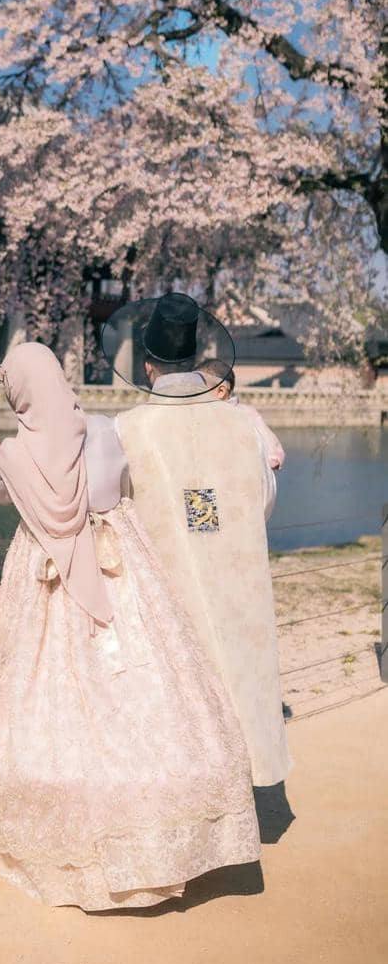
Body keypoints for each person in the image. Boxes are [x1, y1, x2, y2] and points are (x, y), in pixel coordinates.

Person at [0, 341, 260, 911]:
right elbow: (124, 481)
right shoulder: (105, 429)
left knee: (46, 689)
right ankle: (166, 827)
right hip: (119, 558)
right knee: (151, 671)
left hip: (49, 566)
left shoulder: (5, 455)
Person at [108, 293, 292, 787]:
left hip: (163, 579)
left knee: (175, 689)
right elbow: (263, 497)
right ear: (193, 356)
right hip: (234, 572)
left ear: (148, 367)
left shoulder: (128, 429)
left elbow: (116, 505)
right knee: (235, 675)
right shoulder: (241, 424)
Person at [197, 357, 286, 471]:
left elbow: (273, 455)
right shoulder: (202, 415)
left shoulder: (245, 415)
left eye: (199, 390)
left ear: (221, 392)